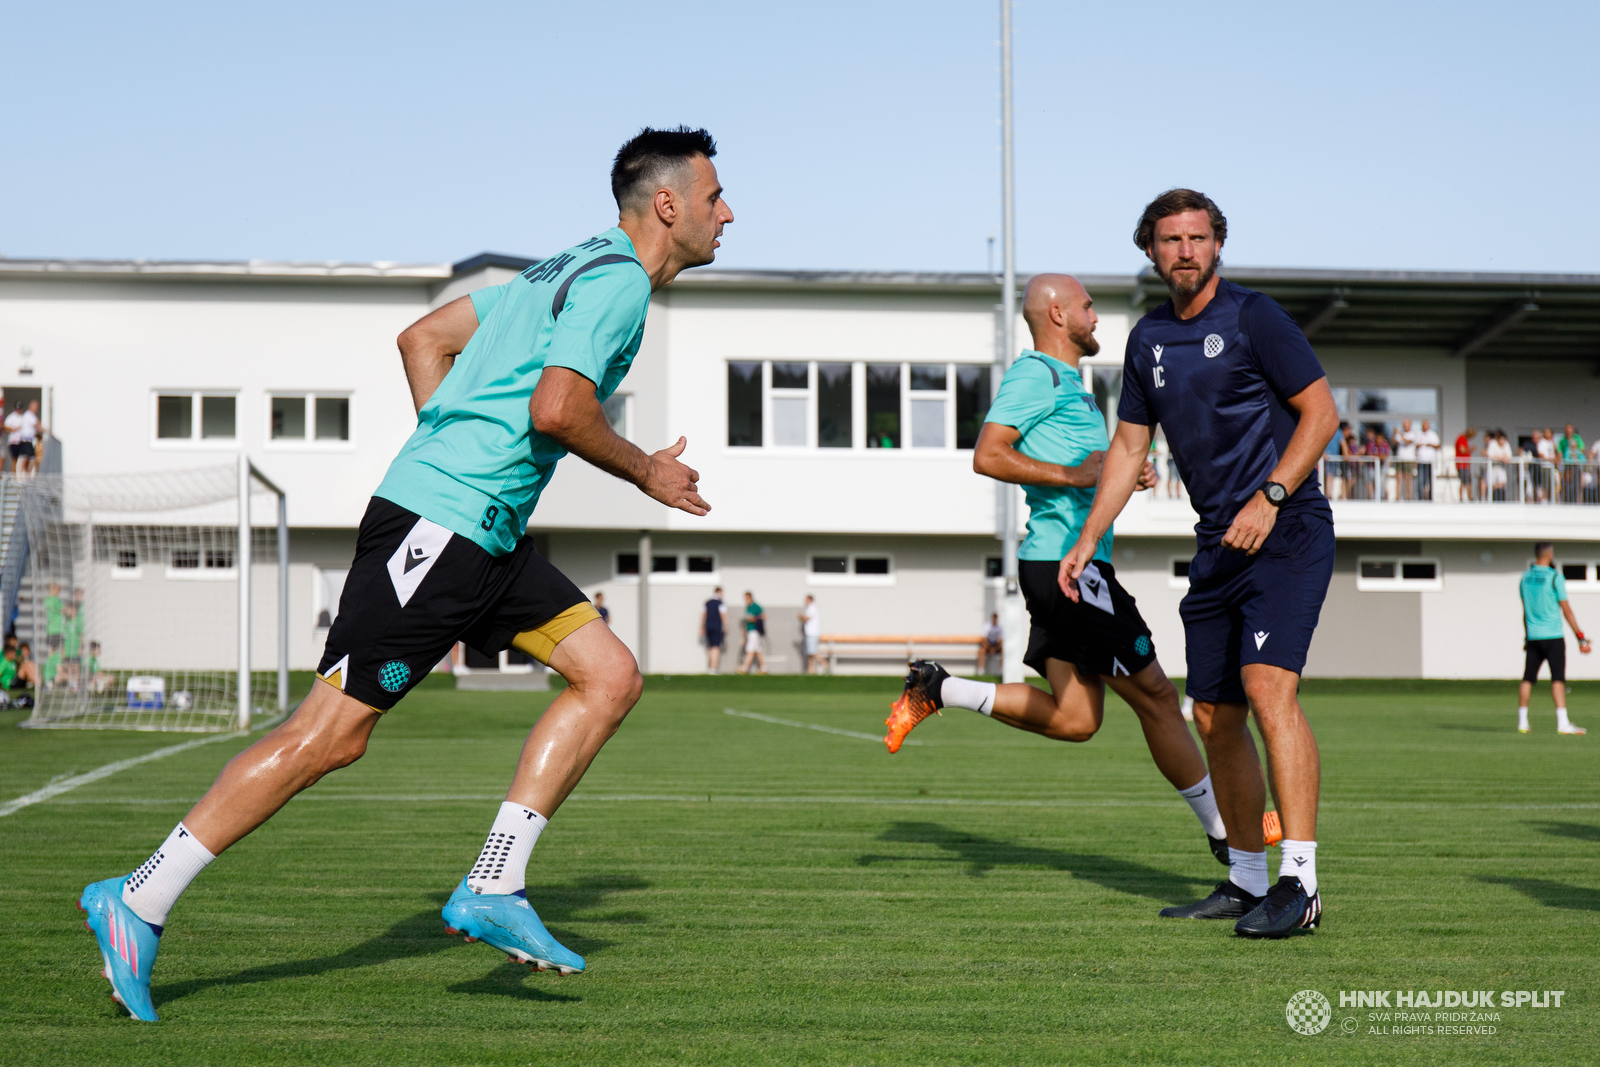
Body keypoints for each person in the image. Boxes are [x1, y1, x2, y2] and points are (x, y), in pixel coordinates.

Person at [77, 126, 734, 1021]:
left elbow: (422, 337)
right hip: (444, 528)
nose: (725, 212)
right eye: (712, 197)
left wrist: (457, 448)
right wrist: (645, 471)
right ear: (668, 205)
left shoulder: (554, 269)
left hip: (483, 532)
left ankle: (494, 884)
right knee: (332, 733)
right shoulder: (616, 281)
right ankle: (141, 896)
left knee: (608, 675)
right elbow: (559, 407)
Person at [887, 272, 1242, 872]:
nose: (1096, 316)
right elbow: (988, 453)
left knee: (1079, 719)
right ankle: (1224, 832)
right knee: (1157, 695)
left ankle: (939, 688)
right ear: (1056, 314)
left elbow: (1091, 465)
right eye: (1087, 306)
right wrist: (1079, 475)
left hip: (1063, 566)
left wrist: (1119, 473)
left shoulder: (1073, 387)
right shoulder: (1037, 374)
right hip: (1067, 568)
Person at [1061, 190, 1340, 938]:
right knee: (1214, 714)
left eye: (1196, 237)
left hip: (1287, 530)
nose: (1184, 250)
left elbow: (1322, 413)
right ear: (1150, 250)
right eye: (1169, 240)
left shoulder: (1256, 317)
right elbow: (1128, 448)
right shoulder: (1148, 337)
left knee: (1267, 689)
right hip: (1217, 542)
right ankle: (1249, 880)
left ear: (1217, 243)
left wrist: (1273, 494)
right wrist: (1088, 536)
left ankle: (1301, 884)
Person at [1518, 542, 1589, 735]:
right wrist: (1580, 637)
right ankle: (1562, 723)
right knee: (1557, 678)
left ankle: (1523, 722)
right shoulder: (1554, 577)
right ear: (1549, 554)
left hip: (1533, 636)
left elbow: (1526, 611)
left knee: (1527, 678)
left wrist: (1527, 636)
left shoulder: (1524, 578)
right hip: (1553, 635)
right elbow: (1566, 609)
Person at [736, 591, 766, 674]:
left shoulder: (755, 606)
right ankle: (764, 668)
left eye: (747, 598)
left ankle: (745, 668)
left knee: (750, 649)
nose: (746, 600)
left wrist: (754, 618)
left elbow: (763, 616)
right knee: (758, 650)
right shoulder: (747, 607)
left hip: (755, 630)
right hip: (749, 631)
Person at [701, 586, 727, 672]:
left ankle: (710, 667)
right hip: (716, 627)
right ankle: (713, 667)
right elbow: (723, 616)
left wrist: (702, 627)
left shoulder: (707, 603)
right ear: (719, 592)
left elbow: (703, 616)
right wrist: (726, 627)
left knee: (710, 647)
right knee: (716, 647)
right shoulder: (720, 603)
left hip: (708, 627)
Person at [1558, 423, 1586, 503]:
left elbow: (1582, 454)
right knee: (1566, 485)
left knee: (1577, 485)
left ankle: (1576, 501)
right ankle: (1566, 501)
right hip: (1567, 468)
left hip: (1576, 468)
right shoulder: (1562, 440)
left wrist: (1578, 459)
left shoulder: (1577, 438)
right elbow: (1560, 453)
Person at [1414, 419, 1439, 501]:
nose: (1424, 427)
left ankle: (1430, 497)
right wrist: (1419, 445)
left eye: (1426, 425)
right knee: (1420, 480)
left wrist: (1430, 445)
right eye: (1423, 425)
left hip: (1430, 462)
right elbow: (1414, 446)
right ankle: (1421, 498)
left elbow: (1438, 446)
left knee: (1429, 480)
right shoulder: (1418, 434)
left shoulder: (1433, 434)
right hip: (1421, 461)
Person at [1393, 418, 1417, 500]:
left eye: (1406, 425)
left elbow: (1407, 442)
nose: (1405, 427)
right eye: (1403, 425)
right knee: (1399, 478)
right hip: (1400, 458)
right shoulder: (1400, 434)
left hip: (1409, 459)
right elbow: (1393, 442)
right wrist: (1394, 434)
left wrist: (1399, 434)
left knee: (1408, 478)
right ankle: (1397, 497)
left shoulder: (1413, 434)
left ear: (1410, 425)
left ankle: (1408, 497)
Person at [1486, 430, 1513, 501]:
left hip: (1501, 467)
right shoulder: (1492, 444)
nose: (1503, 442)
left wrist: (1502, 458)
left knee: (1502, 483)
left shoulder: (1506, 444)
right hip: (1492, 467)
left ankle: (1501, 499)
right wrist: (1501, 458)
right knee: (1491, 484)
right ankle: (1491, 500)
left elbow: (1508, 457)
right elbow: (1490, 456)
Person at [799, 594, 822, 673]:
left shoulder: (812, 608)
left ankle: (825, 664)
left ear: (810, 600)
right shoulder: (810, 608)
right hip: (810, 633)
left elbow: (806, 618)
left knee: (812, 652)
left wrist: (800, 616)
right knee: (809, 653)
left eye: (806, 600)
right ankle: (811, 670)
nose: (805, 602)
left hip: (812, 633)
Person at [1455, 427, 1477, 501]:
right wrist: (1471, 449)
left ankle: (1470, 496)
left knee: (1468, 481)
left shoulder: (1464, 439)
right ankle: (1462, 498)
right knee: (1464, 481)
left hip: (1466, 465)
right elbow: (1462, 450)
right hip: (1462, 465)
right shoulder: (1461, 438)